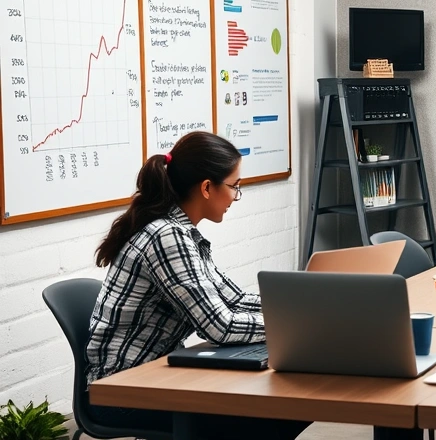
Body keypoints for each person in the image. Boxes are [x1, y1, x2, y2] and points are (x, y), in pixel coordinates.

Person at [86, 131, 309, 440]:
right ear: (206, 188)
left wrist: (300, 310)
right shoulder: (167, 236)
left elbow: (232, 299)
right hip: (122, 391)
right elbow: (220, 326)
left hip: (157, 376)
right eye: (234, 186)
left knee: (281, 405)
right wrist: (294, 327)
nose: (235, 196)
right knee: (277, 412)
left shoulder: (180, 233)